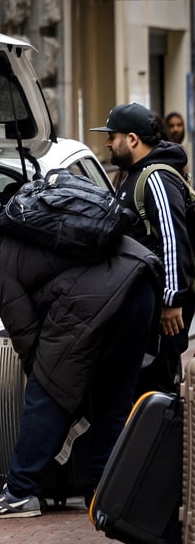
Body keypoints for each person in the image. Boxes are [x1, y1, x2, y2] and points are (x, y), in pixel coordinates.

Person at [0, 197, 161, 519]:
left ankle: (20, 492)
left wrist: (45, 385)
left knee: (45, 394)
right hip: (138, 282)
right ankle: (105, 492)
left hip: (103, 297)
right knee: (111, 399)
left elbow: (26, 334)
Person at [91, 102, 194, 394]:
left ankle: (161, 441)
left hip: (165, 311)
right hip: (145, 306)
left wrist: (172, 301)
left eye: (113, 136)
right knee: (141, 386)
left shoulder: (156, 177)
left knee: (156, 390)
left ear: (132, 139)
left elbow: (174, 238)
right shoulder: (133, 175)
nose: (108, 142)